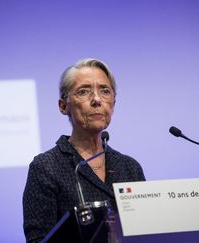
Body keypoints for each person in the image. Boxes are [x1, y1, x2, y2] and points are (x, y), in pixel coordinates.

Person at [22, 58, 146, 242]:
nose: (97, 99)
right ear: (63, 106)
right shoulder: (45, 167)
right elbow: (38, 239)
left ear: (114, 103)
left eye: (105, 91)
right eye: (84, 91)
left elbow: (146, 232)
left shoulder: (129, 167)